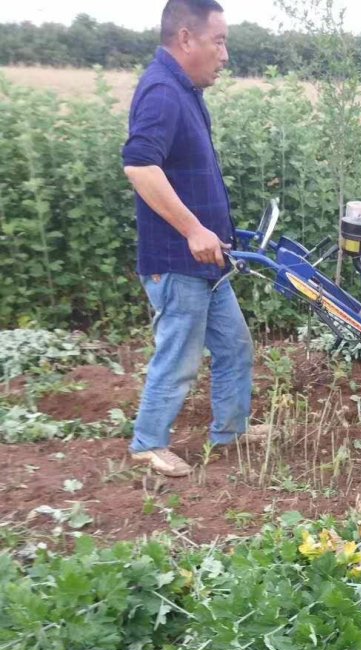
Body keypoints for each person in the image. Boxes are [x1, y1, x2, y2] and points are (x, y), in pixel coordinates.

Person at [122, 0, 264, 477]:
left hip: (207, 260)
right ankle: (148, 442)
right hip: (178, 258)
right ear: (186, 39)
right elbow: (140, 166)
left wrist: (216, 232)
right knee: (180, 354)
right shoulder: (162, 91)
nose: (224, 55)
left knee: (234, 346)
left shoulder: (185, 91)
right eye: (218, 41)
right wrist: (193, 229)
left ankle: (231, 428)